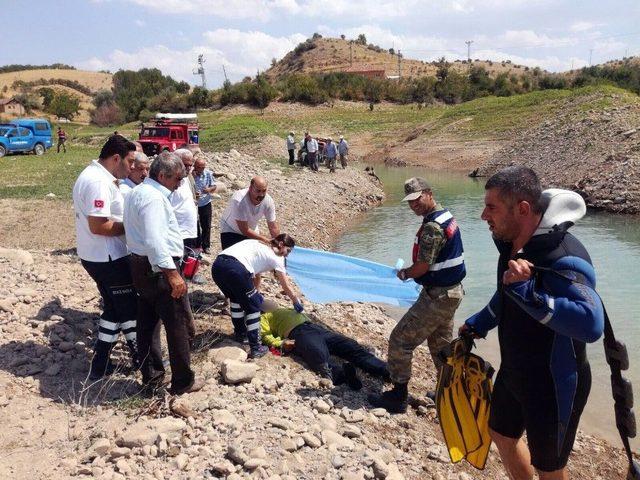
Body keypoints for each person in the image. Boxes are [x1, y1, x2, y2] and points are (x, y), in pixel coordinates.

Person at [460, 166, 604, 479]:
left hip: (554, 380)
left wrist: (529, 293)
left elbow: (592, 324)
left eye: (491, 207)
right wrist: (479, 322)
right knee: (501, 435)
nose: (484, 215)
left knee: (549, 469)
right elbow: (506, 294)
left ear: (523, 209)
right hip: (515, 369)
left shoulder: (562, 257)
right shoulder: (510, 245)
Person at [368, 177, 466, 413]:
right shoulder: (446, 216)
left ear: (429, 193)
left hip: (438, 296)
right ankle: (450, 396)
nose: (414, 205)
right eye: (410, 202)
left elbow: (422, 266)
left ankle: (398, 396)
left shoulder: (432, 227)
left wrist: (404, 274)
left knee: (400, 341)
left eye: (417, 199)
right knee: (440, 347)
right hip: (453, 293)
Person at [124, 151, 204, 395]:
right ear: (162, 175)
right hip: (158, 269)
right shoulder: (154, 199)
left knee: (147, 323)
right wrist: (173, 275)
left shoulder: (138, 191)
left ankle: (152, 377)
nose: (180, 183)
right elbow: (155, 241)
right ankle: (182, 381)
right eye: (177, 178)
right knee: (176, 323)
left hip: (140, 265)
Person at [72, 135, 138, 380]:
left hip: (98, 255)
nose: (132, 168)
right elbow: (99, 225)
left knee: (113, 308)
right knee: (129, 308)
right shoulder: (98, 181)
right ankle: (141, 358)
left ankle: (100, 363)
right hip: (107, 257)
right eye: (130, 162)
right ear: (116, 158)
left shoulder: (96, 176)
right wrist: (131, 226)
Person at [212, 235, 301, 358]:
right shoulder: (277, 257)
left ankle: (240, 334)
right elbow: (286, 286)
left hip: (217, 266)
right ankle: (256, 347)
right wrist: (296, 301)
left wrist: (253, 294)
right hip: (236, 269)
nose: (287, 255)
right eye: (288, 251)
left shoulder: (258, 243)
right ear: (281, 245)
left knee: (236, 300)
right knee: (253, 308)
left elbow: (255, 275)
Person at [260, 306, 390, 388]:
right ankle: (343, 375)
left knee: (350, 346)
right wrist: (282, 344)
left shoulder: (286, 308)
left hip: (316, 328)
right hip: (298, 332)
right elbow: (265, 337)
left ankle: (385, 370)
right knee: (318, 355)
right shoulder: (263, 317)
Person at [219, 176, 279, 249]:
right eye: (258, 191)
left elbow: (273, 226)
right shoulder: (239, 200)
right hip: (231, 229)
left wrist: (278, 243)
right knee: (231, 256)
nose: (261, 195)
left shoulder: (268, 201)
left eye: (264, 191)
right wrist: (266, 240)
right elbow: (244, 229)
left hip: (251, 229)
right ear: (250, 188)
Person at [171, 149, 198, 250]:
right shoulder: (168, 183)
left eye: (190, 165)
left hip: (190, 232)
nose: (188, 168)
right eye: (185, 165)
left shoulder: (186, 179)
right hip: (177, 235)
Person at [193, 157, 217, 254]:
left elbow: (214, 186)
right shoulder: (190, 175)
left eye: (202, 167)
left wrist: (209, 190)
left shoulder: (208, 174)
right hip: (194, 203)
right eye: (198, 167)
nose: (200, 169)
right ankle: (197, 245)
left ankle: (206, 245)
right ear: (195, 166)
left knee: (206, 225)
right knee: (195, 225)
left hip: (205, 202)